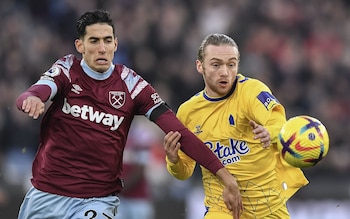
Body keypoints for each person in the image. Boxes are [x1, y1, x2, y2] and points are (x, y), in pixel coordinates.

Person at [15, 10, 242, 219]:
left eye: (107, 41)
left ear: (115, 44)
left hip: (97, 200)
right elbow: (33, 93)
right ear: (80, 45)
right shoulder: (66, 69)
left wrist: (223, 174)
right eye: (94, 41)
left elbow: (180, 132)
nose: (102, 48)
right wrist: (32, 99)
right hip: (46, 194)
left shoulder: (132, 85)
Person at [163, 33, 309, 219]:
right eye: (216, 65)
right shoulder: (188, 112)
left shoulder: (252, 91)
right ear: (200, 66)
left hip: (267, 208)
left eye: (231, 64)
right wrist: (174, 161)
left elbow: (278, 123)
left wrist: (268, 133)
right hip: (221, 208)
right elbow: (184, 172)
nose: (225, 72)